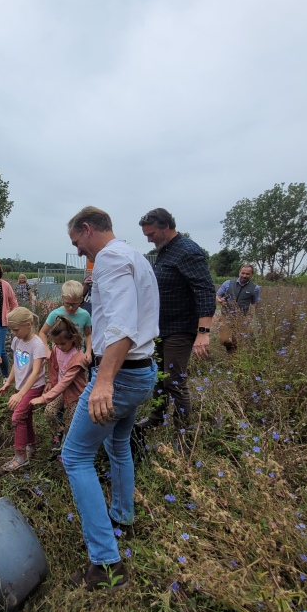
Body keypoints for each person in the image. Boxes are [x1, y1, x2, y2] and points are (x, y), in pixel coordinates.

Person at [62, 206, 159, 591]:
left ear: (87, 230)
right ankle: (122, 519)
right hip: (141, 372)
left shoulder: (109, 259)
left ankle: (106, 565)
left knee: (75, 456)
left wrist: (103, 383)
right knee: (118, 445)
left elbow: (121, 325)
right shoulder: (135, 256)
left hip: (118, 376)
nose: (81, 252)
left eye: (77, 243)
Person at [136, 208, 215, 432]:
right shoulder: (165, 250)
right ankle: (156, 418)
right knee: (159, 376)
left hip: (181, 327)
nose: (149, 240)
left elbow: (205, 290)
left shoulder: (188, 251)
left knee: (173, 379)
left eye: (151, 234)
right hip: (162, 327)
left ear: (166, 226)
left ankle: (185, 429)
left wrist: (203, 332)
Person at [0, 307, 46, 471]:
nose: (14, 332)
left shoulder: (37, 344)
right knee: (25, 418)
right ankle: (31, 446)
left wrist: (20, 394)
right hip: (20, 387)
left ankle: (20, 456)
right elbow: (16, 364)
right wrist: (8, 382)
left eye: (16, 329)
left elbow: (36, 372)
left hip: (33, 387)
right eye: (12, 329)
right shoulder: (17, 340)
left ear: (28, 324)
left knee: (17, 417)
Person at [30, 315, 88, 453]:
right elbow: (54, 367)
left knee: (71, 424)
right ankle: (58, 432)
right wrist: (51, 381)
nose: (60, 347)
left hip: (75, 395)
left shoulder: (78, 359)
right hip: (61, 391)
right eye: (56, 343)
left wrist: (44, 398)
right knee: (49, 412)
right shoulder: (57, 349)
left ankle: (69, 449)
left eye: (63, 344)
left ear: (73, 339)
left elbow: (66, 382)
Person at [38, 280, 92, 362]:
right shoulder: (55, 314)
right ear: (62, 298)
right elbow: (42, 333)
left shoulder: (85, 315)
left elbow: (88, 335)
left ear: (81, 300)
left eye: (74, 304)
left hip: (78, 358)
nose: (71, 307)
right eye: (67, 303)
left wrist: (88, 352)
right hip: (59, 358)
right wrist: (47, 350)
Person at [216, 264, 260, 352]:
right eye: (243, 273)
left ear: (252, 275)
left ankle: (231, 360)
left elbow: (255, 303)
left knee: (236, 341)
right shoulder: (228, 283)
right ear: (239, 273)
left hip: (241, 318)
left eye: (247, 274)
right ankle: (229, 348)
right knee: (223, 339)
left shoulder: (255, 288)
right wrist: (219, 300)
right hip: (226, 316)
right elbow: (217, 295)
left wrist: (249, 316)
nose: (244, 275)